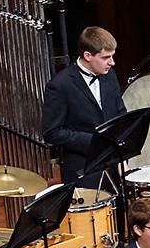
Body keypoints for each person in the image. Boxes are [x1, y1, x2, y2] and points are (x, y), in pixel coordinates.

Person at [40, 26, 127, 185]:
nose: (112, 62)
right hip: (83, 168)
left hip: (113, 163)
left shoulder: (110, 76)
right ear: (88, 56)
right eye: (106, 57)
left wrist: (122, 156)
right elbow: (52, 132)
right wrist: (94, 141)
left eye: (112, 56)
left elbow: (120, 115)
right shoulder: (60, 85)